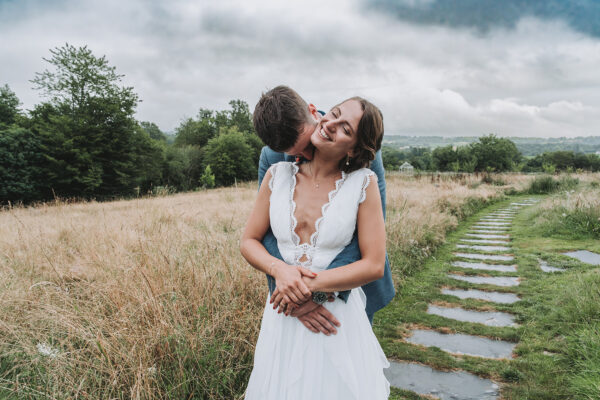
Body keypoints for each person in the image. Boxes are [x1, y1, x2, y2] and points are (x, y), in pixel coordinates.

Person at [240, 95, 390, 398]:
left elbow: (367, 253)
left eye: (345, 128)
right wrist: (283, 279)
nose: (329, 126)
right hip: (284, 309)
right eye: (333, 115)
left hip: (339, 305)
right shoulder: (275, 167)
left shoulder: (365, 179)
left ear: (355, 148)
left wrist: (312, 291)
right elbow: (260, 238)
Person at [253, 86, 395, 335]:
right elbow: (268, 235)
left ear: (313, 113)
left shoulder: (363, 147)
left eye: (308, 145)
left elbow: (362, 239)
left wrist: (316, 294)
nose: (309, 154)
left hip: (348, 293)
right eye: (298, 154)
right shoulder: (272, 160)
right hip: (290, 297)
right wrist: (289, 290)